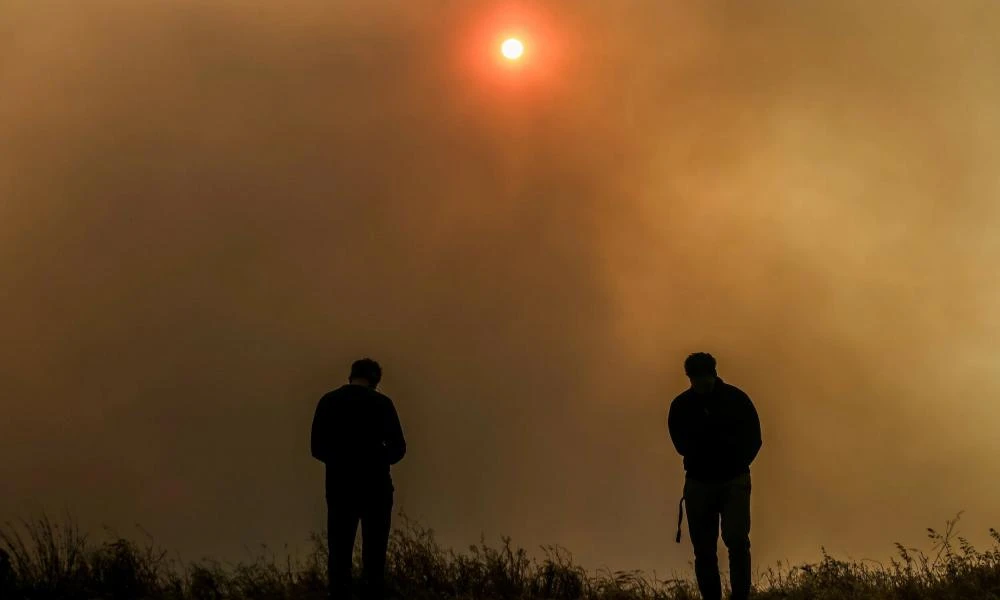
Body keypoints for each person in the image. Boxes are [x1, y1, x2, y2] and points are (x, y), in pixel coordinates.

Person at [668, 353, 762, 600]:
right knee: (705, 548)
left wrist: (736, 464)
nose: (700, 384)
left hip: (732, 480)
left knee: (737, 541)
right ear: (690, 377)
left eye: (703, 378)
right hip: (702, 483)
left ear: (713, 374)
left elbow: (754, 438)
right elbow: (680, 443)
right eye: (695, 379)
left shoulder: (736, 400)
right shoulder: (682, 406)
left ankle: (740, 596)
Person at [311, 358, 406, 600]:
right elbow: (399, 449)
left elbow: (317, 447)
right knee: (374, 559)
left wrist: (341, 459)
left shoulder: (329, 402)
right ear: (376, 381)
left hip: (340, 488)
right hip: (376, 489)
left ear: (351, 376)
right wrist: (376, 457)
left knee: (339, 556)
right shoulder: (383, 405)